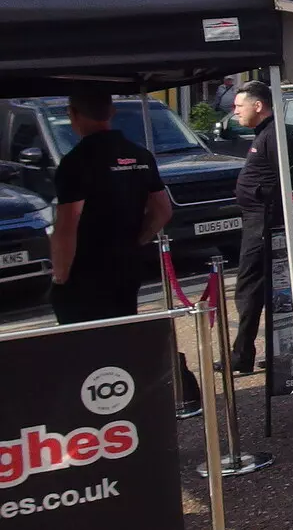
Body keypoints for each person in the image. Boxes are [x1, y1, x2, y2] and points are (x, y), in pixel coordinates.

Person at [49, 88, 204, 411]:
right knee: (124, 333)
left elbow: (67, 224)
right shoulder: (138, 155)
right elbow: (163, 210)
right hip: (126, 265)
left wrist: (60, 274)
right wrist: (139, 238)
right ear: (112, 113)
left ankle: (98, 405)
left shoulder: (76, 162)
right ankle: (130, 398)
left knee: (85, 344)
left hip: (86, 271)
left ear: (73, 115)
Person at [229, 81, 293, 374]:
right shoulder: (264, 133)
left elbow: (287, 180)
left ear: (258, 106)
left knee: (251, 288)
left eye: (239, 106)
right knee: (259, 289)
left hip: (265, 221)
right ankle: (256, 352)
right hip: (257, 219)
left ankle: (244, 355)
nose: (235, 112)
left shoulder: (274, 135)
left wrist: (273, 217)